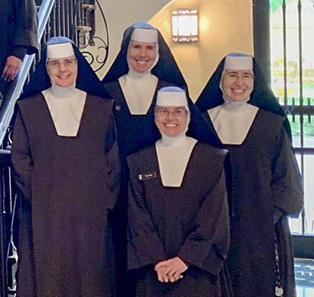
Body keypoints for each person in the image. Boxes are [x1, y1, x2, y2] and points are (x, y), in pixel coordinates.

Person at [11, 37, 119, 296]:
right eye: (55, 64)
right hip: (44, 212)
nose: (63, 70)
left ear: (78, 65)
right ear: (46, 68)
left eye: (69, 62)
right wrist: (41, 196)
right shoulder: (29, 108)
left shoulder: (100, 107)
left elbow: (112, 161)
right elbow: (20, 159)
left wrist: (103, 201)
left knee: (93, 277)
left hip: (91, 213)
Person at [196, 53, 303, 297]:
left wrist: (267, 216)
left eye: (246, 76)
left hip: (260, 227)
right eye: (232, 75)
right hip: (212, 225)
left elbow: (286, 178)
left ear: (255, 83)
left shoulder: (271, 124)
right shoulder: (203, 122)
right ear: (220, 80)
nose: (239, 83)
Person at [101, 22, 188, 293]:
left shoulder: (172, 92)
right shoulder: (107, 92)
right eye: (136, 47)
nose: (143, 54)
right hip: (116, 194)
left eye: (150, 48)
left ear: (158, 53)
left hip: (159, 196)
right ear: (125, 50)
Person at [127, 87, 230, 296]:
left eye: (178, 111)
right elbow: (137, 216)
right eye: (163, 111)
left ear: (189, 115)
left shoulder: (211, 159)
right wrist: (158, 261)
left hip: (196, 269)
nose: (170, 118)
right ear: (154, 115)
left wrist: (185, 259)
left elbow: (214, 216)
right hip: (154, 270)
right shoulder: (139, 160)